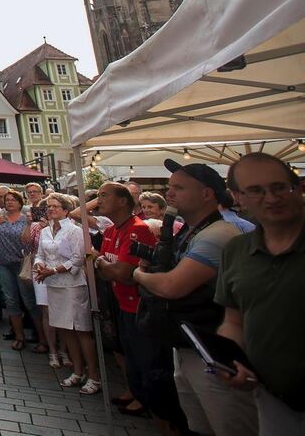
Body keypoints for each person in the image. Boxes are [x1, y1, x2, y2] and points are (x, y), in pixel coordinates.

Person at [134, 161, 256, 436]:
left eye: (179, 187)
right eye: (169, 186)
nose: (169, 193)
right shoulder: (195, 231)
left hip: (216, 350)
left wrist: (138, 275)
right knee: (200, 426)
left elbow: (171, 286)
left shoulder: (218, 234)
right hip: (192, 344)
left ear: (207, 194)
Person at [215, 153, 305, 435]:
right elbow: (233, 320)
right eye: (256, 190)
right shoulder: (237, 249)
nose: (271, 198)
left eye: (279, 187)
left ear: (297, 187)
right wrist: (230, 361)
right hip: (273, 400)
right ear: (237, 197)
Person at [91, 183, 186, 425]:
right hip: (121, 304)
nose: (98, 200)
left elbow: (121, 272)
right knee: (129, 357)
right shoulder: (112, 230)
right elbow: (107, 270)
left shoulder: (137, 230)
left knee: (146, 361)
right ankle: (137, 395)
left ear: (123, 201)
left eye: (104, 196)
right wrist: (106, 266)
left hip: (140, 308)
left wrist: (102, 264)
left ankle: (154, 409)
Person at [34, 193, 100, 395]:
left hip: (72, 284)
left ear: (65, 209)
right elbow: (39, 253)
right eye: (49, 207)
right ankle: (77, 371)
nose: (51, 209)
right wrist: (40, 265)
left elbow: (78, 259)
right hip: (53, 285)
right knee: (65, 329)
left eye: (55, 206)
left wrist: (53, 270)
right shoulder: (45, 231)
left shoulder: (74, 230)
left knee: (80, 329)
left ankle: (94, 376)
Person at [0, 189, 38, 351]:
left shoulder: (26, 219)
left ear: (20, 202)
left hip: (22, 263)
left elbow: (30, 239)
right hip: (3, 263)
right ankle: (19, 336)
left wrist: (30, 223)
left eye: (13, 200)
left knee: (29, 300)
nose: (9, 202)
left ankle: (42, 338)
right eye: (7, 200)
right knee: (11, 300)